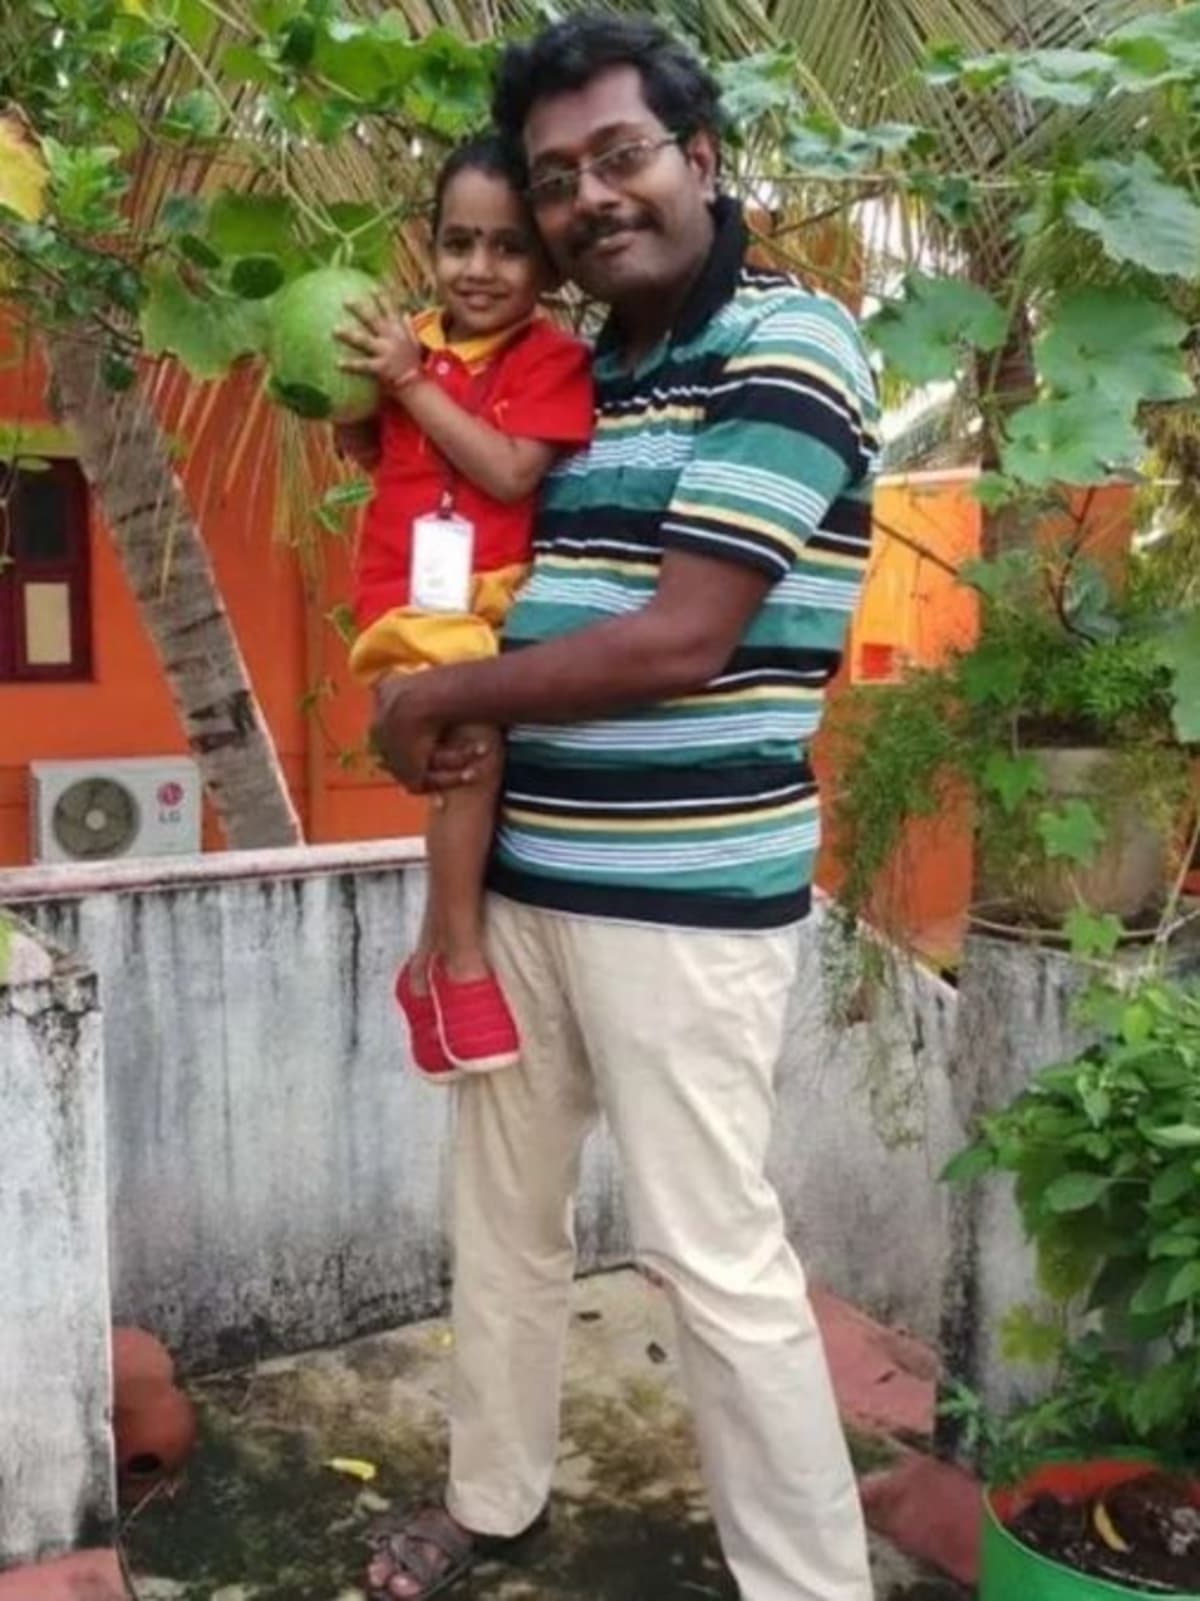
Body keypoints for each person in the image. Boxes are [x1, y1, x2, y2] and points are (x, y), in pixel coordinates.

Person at [363, 13, 881, 1600]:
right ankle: (495, 1499)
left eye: (619, 156)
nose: (587, 198)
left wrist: (437, 699)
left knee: (712, 1260)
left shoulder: (790, 347)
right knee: (501, 1218)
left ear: (699, 157)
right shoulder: (584, 375)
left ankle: (807, 1583)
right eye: (554, 178)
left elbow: (682, 639)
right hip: (523, 880)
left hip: (686, 902)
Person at [336, 134, 593, 1081]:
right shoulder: (408, 341)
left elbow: (510, 469)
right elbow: (366, 448)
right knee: (471, 753)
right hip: (410, 594)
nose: (478, 268)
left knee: (466, 773)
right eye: (458, 243)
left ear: (548, 263)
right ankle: (460, 959)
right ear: (430, 244)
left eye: (508, 246)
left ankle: (422, 967)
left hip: (498, 596)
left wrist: (408, 381)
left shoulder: (552, 360)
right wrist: (355, 386)